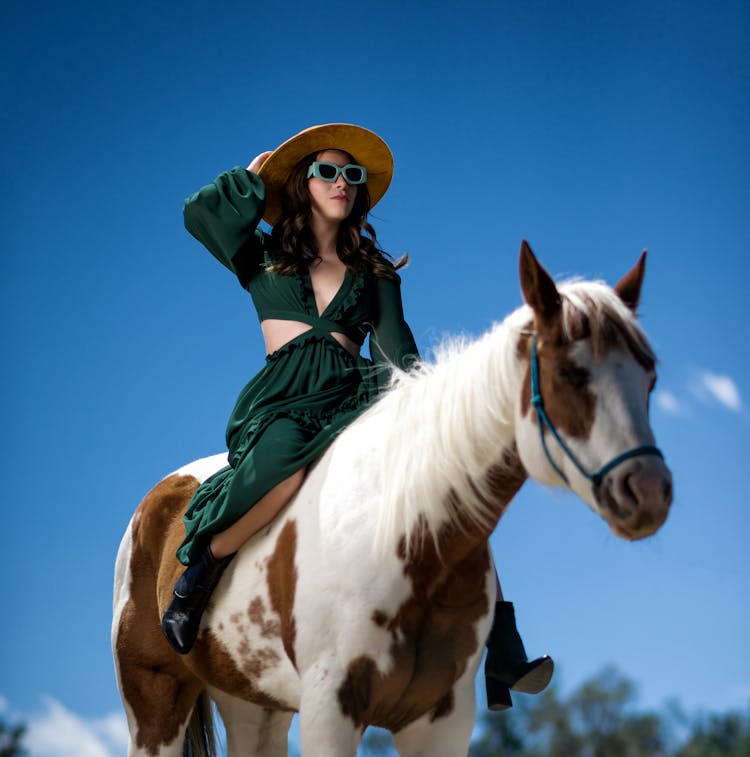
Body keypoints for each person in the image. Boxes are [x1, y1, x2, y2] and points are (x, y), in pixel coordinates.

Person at [160, 123, 553, 710]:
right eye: (326, 171)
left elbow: (396, 349)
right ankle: (200, 575)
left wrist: (426, 411)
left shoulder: (375, 272)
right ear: (303, 183)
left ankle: (499, 642)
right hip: (285, 398)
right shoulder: (260, 255)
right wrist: (250, 179)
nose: (341, 182)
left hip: (355, 392)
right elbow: (200, 215)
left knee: (448, 483)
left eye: (352, 174)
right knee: (282, 468)